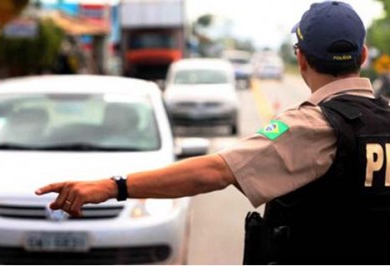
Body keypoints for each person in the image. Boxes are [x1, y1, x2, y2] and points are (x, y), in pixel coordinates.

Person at [36, 1, 390, 264]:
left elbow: (215, 170)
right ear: (362, 54)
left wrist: (114, 186)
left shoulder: (312, 126)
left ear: (300, 59)